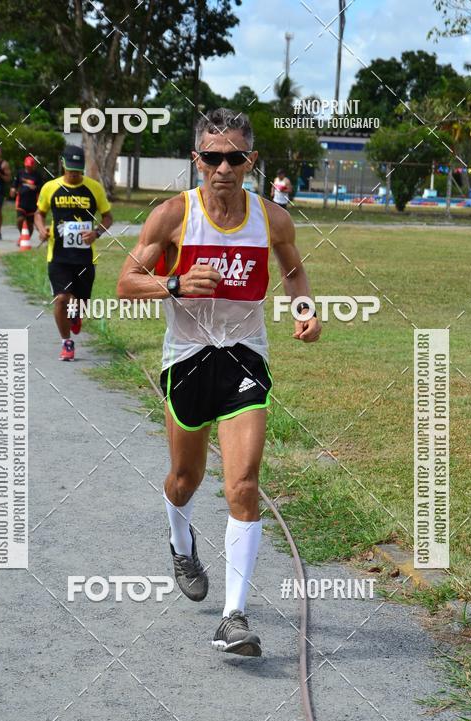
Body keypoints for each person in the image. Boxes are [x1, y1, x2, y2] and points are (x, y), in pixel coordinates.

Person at [117, 108, 321, 657]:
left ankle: (234, 616)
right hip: (187, 359)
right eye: (212, 157)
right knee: (185, 480)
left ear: (250, 161)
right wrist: (176, 283)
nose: (223, 168)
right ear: (197, 160)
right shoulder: (172, 216)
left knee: (244, 485)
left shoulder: (272, 218)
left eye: (235, 158)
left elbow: (293, 268)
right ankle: (181, 543)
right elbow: (126, 282)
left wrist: (303, 308)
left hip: (244, 359)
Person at [34, 144, 113, 361]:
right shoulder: (50, 188)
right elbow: (38, 214)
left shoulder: (94, 188)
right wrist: (41, 229)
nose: (75, 175)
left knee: (80, 304)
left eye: (79, 171)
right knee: (61, 298)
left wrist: (96, 233)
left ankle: (76, 315)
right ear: (63, 165)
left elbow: (108, 217)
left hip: (85, 257)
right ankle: (66, 343)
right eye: (71, 171)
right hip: (58, 256)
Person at [11, 155, 43, 243]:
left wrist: (35, 187)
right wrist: (13, 189)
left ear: (34, 166)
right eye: (27, 166)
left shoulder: (37, 175)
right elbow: (15, 183)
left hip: (33, 202)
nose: (28, 168)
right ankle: (22, 235)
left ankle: (26, 238)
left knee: (30, 223)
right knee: (20, 219)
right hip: (21, 201)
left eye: (30, 166)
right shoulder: (20, 173)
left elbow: (41, 187)